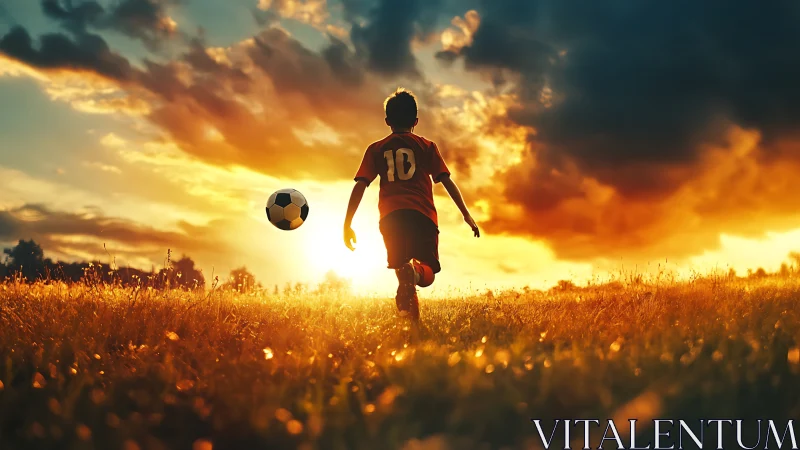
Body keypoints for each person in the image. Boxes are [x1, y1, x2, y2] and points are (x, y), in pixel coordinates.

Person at [343, 87, 480, 320]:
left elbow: (360, 185)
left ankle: (410, 323)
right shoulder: (426, 146)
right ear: (416, 120)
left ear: (387, 121)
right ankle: (415, 280)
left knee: (401, 268)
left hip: (391, 217)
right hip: (422, 215)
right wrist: (466, 215)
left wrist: (348, 222)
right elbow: (446, 181)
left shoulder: (376, 149)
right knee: (426, 273)